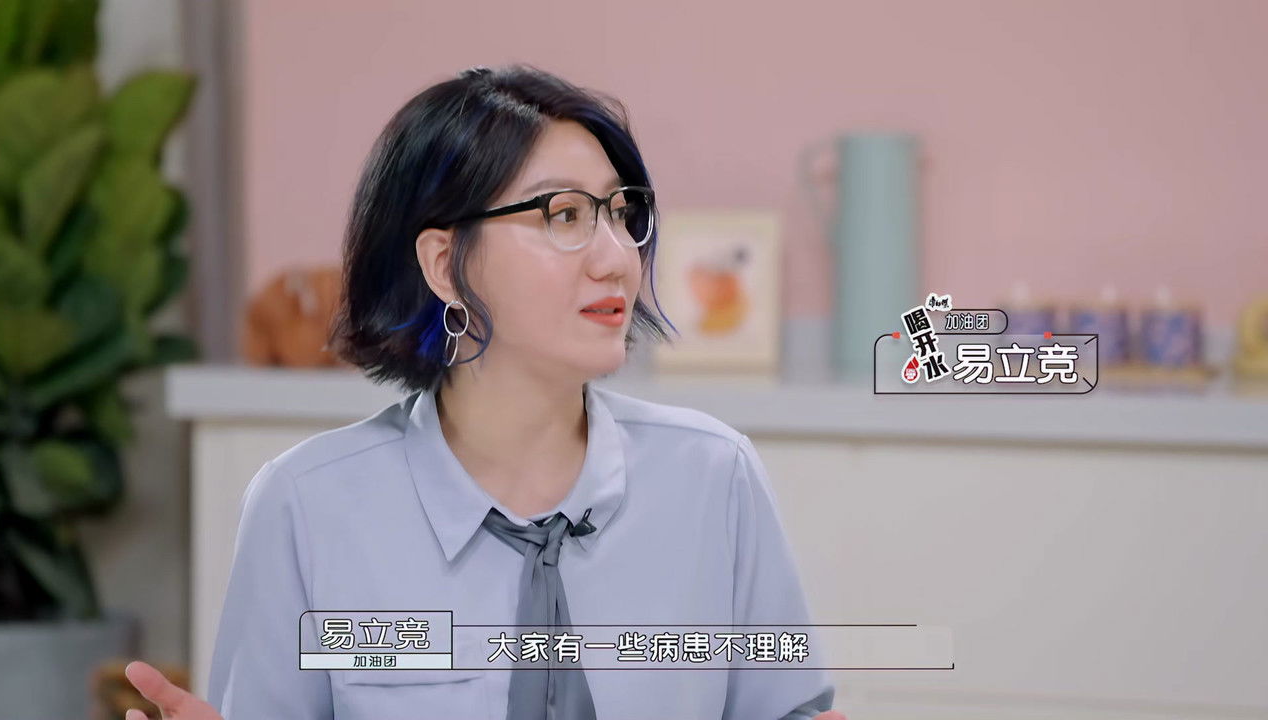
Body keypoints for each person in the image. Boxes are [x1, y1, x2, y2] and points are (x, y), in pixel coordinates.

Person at [126, 64, 846, 720]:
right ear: (445, 264)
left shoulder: (714, 477)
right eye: (564, 215)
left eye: (621, 213)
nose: (617, 257)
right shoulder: (305, 506)